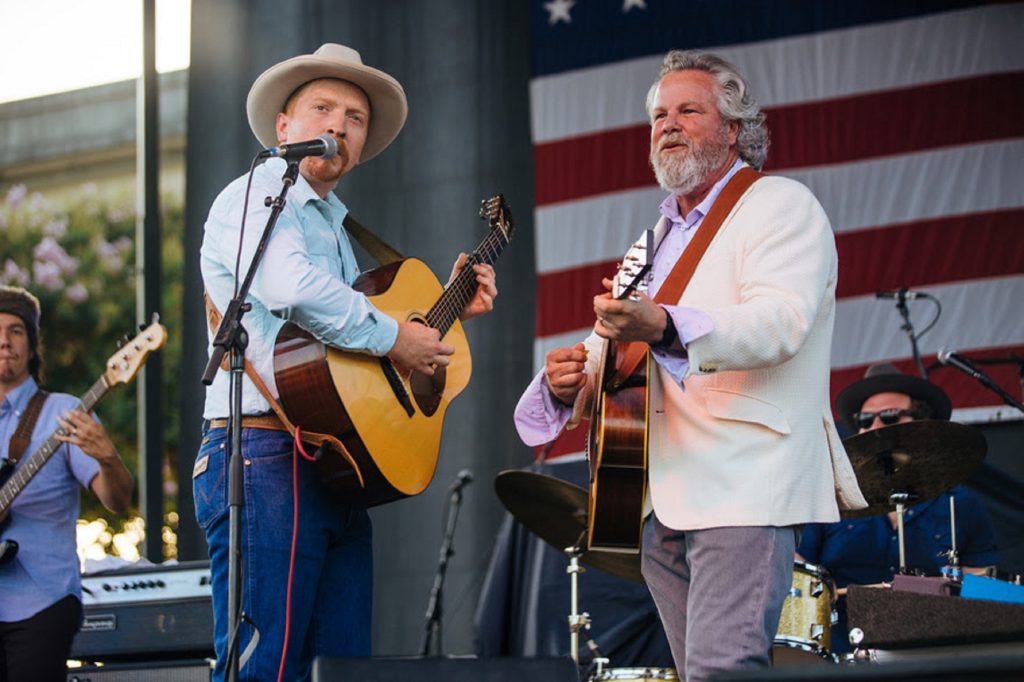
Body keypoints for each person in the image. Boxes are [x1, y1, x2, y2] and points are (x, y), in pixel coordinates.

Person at [514, 50, 866, 682]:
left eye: (688, 110)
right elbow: (610, 351)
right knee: (699, 672)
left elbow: (781, 322)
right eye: (658, 115)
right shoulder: (648, 243)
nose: (668, 124)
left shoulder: (779, 204)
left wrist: (668, 323)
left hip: (740, 478)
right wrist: (566, 382)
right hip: (648, 490)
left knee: (721, 670)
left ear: (733, 130)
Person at [194, 43, 497, 681]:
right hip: (263, 451)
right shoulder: (257, 192)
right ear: (285, 128)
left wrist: (444, 313)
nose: (339, 125)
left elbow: (349, 355)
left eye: (355, 117)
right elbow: (295, 291)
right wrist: (395, 336)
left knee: (341, 671)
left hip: (334, 459)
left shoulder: (335, 228)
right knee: (264, 668)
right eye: (322, 108)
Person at [797, 363, 998, 655]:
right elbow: (797, 566)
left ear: (922, 426)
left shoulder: (961, 504)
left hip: (935, 654)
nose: (874, 428)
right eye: (865, 420)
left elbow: (982, 584)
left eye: (889, 417)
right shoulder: (831, 500)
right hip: (841, 653)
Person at [0, 286, 133, 682]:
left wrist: (108, 457)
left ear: (33, 344)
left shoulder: (64, 412)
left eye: (16, 330)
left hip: (41, 600)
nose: (4, 341)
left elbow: (118, 501)